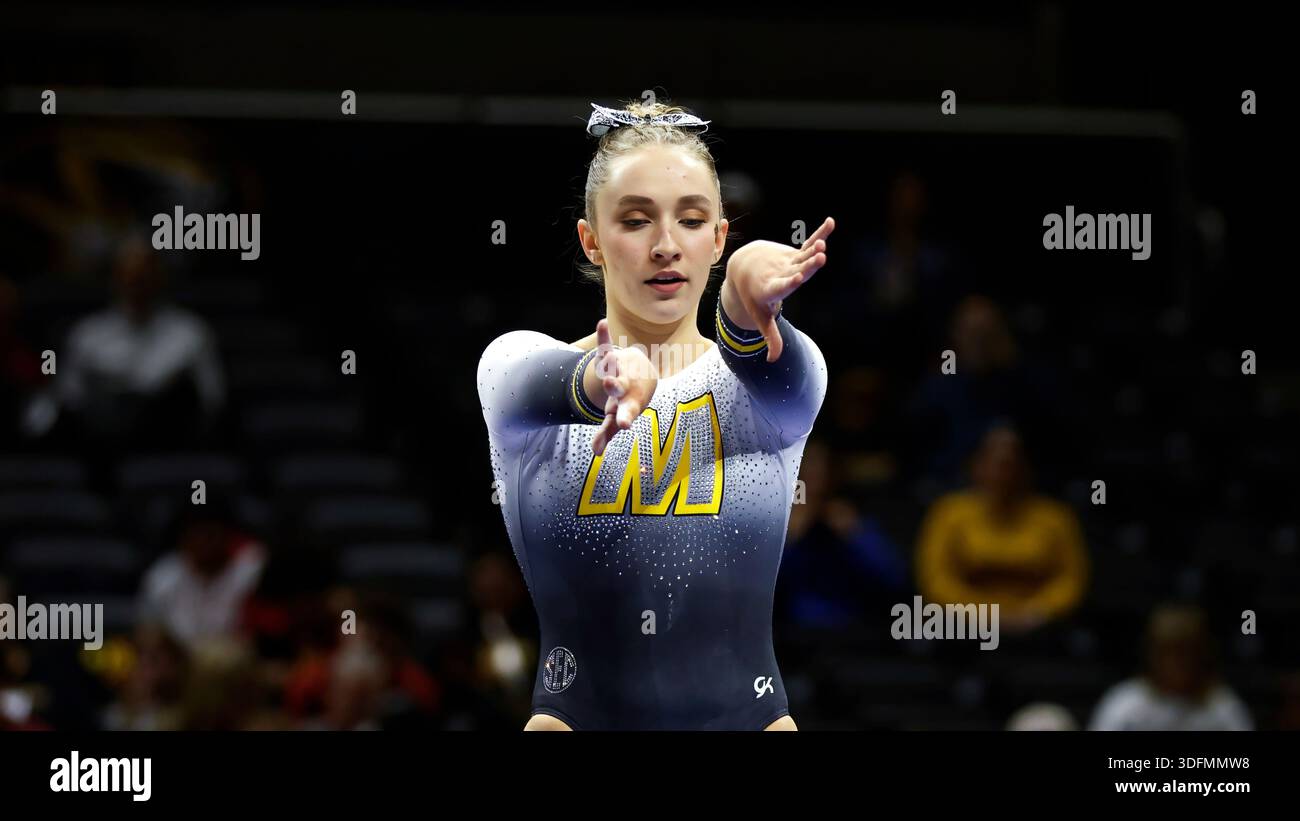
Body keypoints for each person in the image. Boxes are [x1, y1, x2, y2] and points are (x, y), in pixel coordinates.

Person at [476, 100, 833, 730]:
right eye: (636, 221)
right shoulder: (513, 365)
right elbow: (532, 383)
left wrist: (744, 303)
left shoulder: (765, 390)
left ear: (721, 237)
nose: (667, 246)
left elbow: (778, 369)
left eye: (692, 221)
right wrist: (602, 379)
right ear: (591, 239)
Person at [915, 422, 1089, 634]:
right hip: (963, 629)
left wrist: (1037, 611)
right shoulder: (949, 513)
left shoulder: (1055, 518)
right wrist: (981, 614)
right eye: (996, 461)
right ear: (976, 464)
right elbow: (936, 579)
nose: (1003, 471)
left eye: (1011, 462)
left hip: (1039, 630)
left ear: (1026, 467)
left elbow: (1071, 580)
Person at [1090, 604, 1252, 731]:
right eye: (1167, 651)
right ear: (1151, 653)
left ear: (1201, 654)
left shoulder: (1223, 707)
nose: (1175, 662)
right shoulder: (1124, 704)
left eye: (1184, 651)